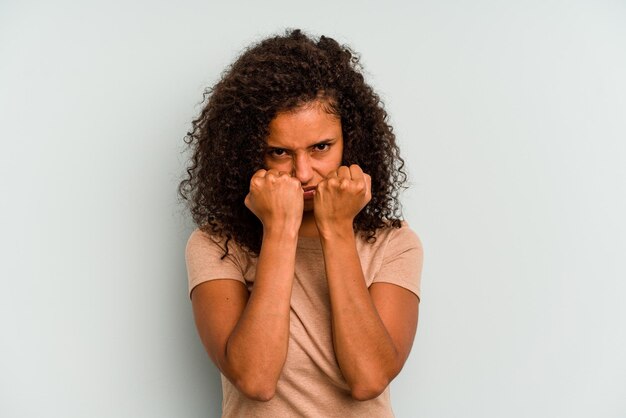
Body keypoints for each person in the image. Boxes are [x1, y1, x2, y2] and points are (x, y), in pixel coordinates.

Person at [178, 29, 424, 417]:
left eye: (321, 148)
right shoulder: (216, 244)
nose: (304, 172)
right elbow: (256, 380)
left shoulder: (392, 243)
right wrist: (278, 229)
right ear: (249, 152)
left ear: (351, 141)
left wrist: (338, 229)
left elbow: (368, 379)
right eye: (279, 152)